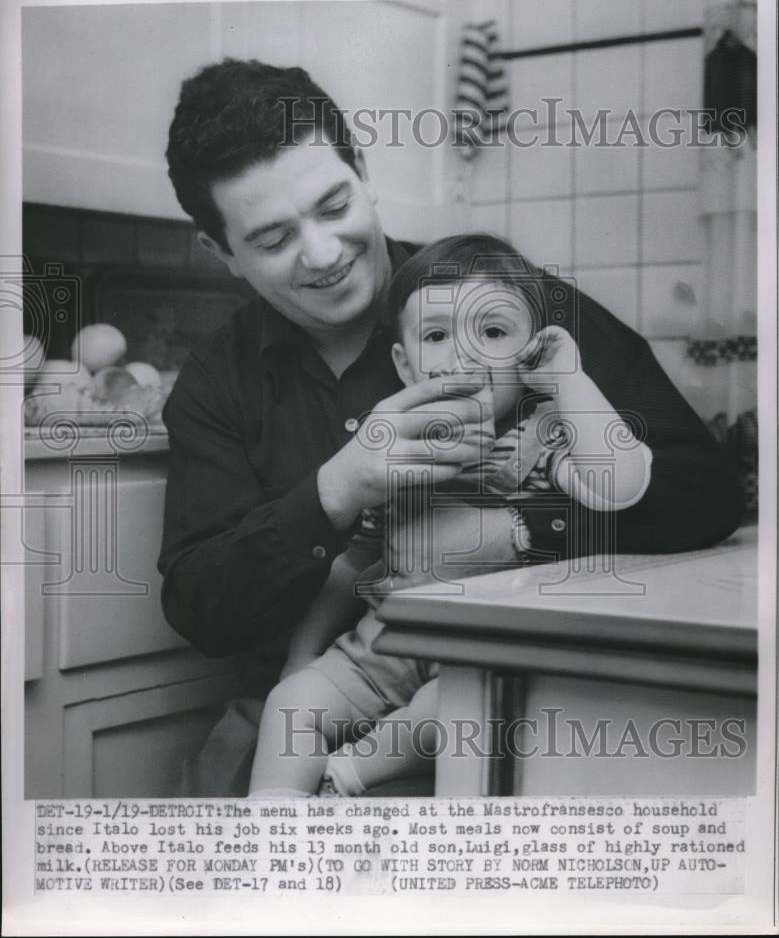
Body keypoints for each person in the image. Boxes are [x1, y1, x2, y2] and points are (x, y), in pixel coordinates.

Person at [159, 58, 745, 796]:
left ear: (364, 172)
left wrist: (522, 528)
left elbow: (704, 492)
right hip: (324, 684)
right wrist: (336, 490)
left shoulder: (509, 308)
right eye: (273, 240)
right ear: (222, 256)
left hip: (512, 689)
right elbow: (200, 607)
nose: (323, 254)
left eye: (333, 205)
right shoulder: (220, 381)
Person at [247, 234, 655, 798]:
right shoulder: (394, 445)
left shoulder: (544, 434)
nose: (464, 354)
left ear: (530, 351)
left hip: (478, 659)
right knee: (289, 705)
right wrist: (303, 654)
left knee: (455, 714)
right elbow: (352, 560)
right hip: (383, 647)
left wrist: (569, 381)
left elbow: (621, 484)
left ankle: (351, 773)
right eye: (437, 336)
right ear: (406, 364)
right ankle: (270, 826)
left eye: (492, 332)